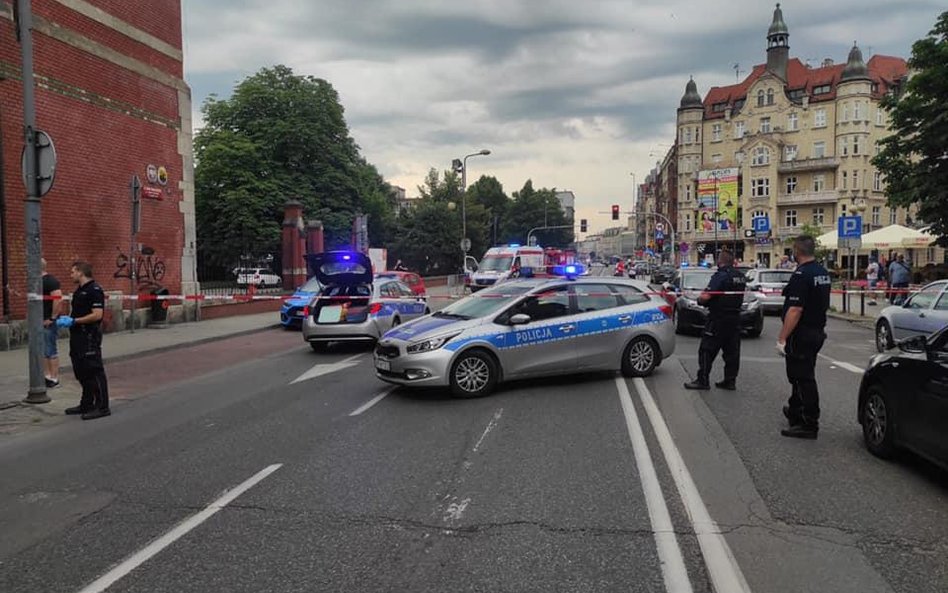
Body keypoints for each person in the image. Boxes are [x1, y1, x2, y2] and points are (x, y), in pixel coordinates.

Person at [776, 236, 831, 439]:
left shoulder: (801, 274)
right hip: (817, 330)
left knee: (801, 378)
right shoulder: (822, 272)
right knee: (803, 373)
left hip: (802, 333)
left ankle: (808, 422)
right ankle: (794, 410)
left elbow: (795, 310)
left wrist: (782, 337)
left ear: (797, 251)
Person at [684, 250, 747, 391]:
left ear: (720, 261)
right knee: (732, 352)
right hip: (735, 319)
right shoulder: (740, 276)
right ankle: (730, 381)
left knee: (707, 350)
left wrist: (700, 300)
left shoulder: (721, 276)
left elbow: (706, 296)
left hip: (718, 319)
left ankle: (703, 380)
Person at [56, 261, 110, 420]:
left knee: (94, 369)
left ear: (80, 272)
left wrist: (75, 321)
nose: (71, 274)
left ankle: (102, 406)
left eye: (73, 272)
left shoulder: (94, 290)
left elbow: (97, 314)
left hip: (89, 335)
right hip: (77, 335)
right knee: (81, 370)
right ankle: (87, 403)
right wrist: (69, 320)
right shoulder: (80, 290)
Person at [41, 258, 63, 388]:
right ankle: (47, 376)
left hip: (48, 320)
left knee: (50, 349)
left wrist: (52, 318)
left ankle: (54, 378)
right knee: (43, 350)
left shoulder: (50, 281)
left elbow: (58, 299)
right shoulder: (36, 282)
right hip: (39, 320)